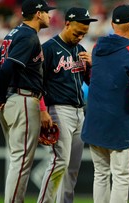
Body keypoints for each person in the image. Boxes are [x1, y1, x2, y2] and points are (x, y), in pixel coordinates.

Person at [81, 4, 129, 203]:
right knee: (121, 176)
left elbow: (110, 75)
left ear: (112, 24)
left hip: (95, 122)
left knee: (100, 174)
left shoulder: (97, 48)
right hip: (120, 123)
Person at [37, 7, 97, 203]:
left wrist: (92, 67)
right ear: (67, 23)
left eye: (84, 33)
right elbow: (37, 83)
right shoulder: (48, 48)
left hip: (80, 111)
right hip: (58, 110)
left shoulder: (81, 50)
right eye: (77, 32)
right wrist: (43, 111)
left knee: (73, 167)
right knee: (59, 162)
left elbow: (91, 83)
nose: (80, 37)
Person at [0, 0, 55, 202]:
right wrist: (0, 96)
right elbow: (6, 69)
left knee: (17, 159)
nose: (50, 15)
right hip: (21, 98)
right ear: (38, 14)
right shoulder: (28, 36)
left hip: (13, 98)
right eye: (47, 12)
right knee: (21, 161)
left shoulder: (14, 33)